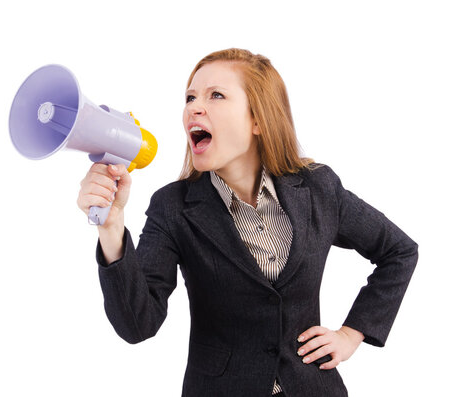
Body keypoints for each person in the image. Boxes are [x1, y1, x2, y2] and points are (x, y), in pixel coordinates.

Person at [77, 48, 418, 397]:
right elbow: (138, 324)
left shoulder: (318, 188)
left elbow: (399, 251)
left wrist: (352, 333)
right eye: (190, 97)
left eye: (216, 95)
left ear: (258, 120)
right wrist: (112, 227)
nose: (194, 107)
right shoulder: (172, 207)